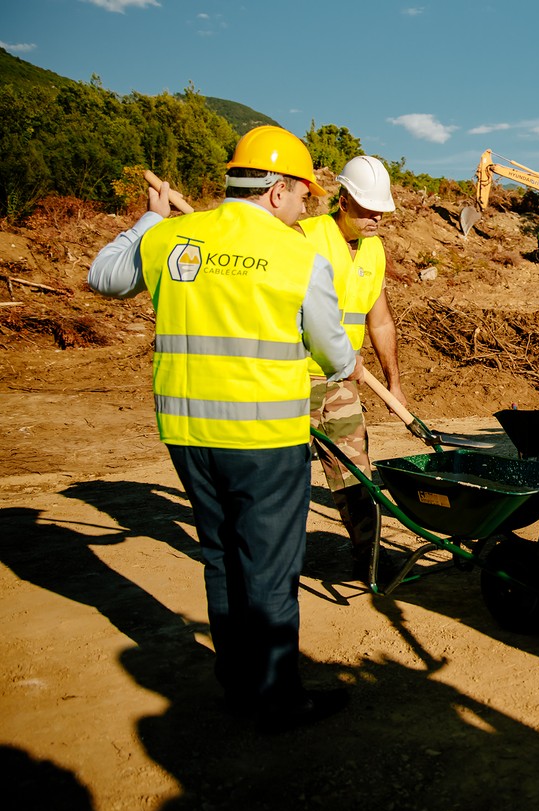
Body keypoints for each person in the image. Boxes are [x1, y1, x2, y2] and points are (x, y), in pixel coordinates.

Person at [87, 126, 359, 734]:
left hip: (187, 433)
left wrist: (146, 224)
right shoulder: (298, 257)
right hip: (264, 440)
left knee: (222, 557)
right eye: (304, 196)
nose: (306, 207)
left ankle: (239, 683)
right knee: (269, 568)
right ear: (277, 190)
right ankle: (276, 700)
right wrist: (344, 361)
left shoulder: (171, 238)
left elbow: (102, 278)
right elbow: (336, 356)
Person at [299, 155, 404, 581]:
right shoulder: (305, 236)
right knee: (283, 477)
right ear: (343, 200)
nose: (376, 217)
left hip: (344, 381)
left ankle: (370, 557)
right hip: (292, 380)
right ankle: (270, 560)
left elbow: (378, 319)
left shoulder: (375, 250)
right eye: (367, 208)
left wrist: (395, 383)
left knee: (357, 473)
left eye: (381, 209)